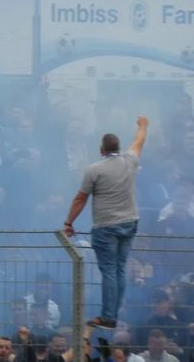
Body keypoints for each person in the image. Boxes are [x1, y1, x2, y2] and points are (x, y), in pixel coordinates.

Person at [64, 117, 149, 328]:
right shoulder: (130, 160)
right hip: (130, 222)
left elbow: (80, 198)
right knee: (120, 269)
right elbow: (138, 142)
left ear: (101, 150)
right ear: (118, 148)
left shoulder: (94, 169)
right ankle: (113, 314)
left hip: (106, 226)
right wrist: (143, 126)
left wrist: (68, 222)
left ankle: (109, 316)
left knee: (110, 270)